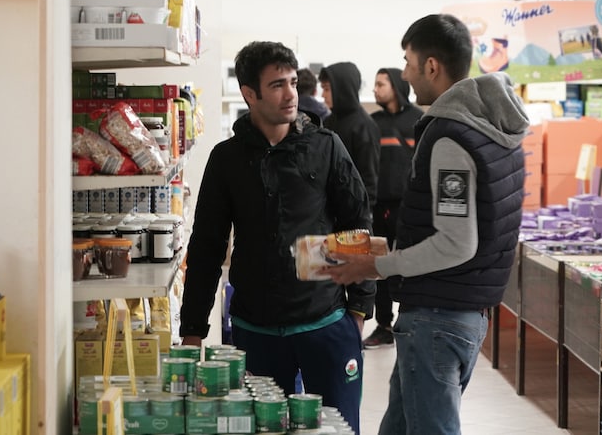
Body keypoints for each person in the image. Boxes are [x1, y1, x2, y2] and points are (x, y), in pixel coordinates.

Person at [321, 14, 530, 435]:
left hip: (439, 317)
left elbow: (456, 243)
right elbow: (472, 224)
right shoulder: (494, 127)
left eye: (408, 61)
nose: (404, 72)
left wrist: (375, 267)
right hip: (464, 308)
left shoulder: (452, 137)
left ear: (431, 66)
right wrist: (388, 249)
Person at [179, 41, 374, 435]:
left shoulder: (325, 147)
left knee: (339, 429)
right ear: (249, 93)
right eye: (276, 85)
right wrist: (192, 331)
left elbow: (358, 225)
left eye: (291, 82)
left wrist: (359, 310)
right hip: (257, 330)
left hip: (326, 322)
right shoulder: (227, 159)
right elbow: (207, 246)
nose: (291, 94)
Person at [362, 68, 423, 349]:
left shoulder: (418, 120)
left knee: (412, 265)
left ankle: (412, 321)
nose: (375, 89)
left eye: (380, 84)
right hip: (377, 206)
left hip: (409, 206)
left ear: (396, 86)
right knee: (380, 267)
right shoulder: (371, 122)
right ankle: (384, 325)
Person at [319, 62, 381, 207]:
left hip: (354, 210)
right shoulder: (329, 121)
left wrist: (365, 215)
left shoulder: (364, 126)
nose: (323, 95)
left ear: (342, 90)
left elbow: (369, 178)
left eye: (327, 89)